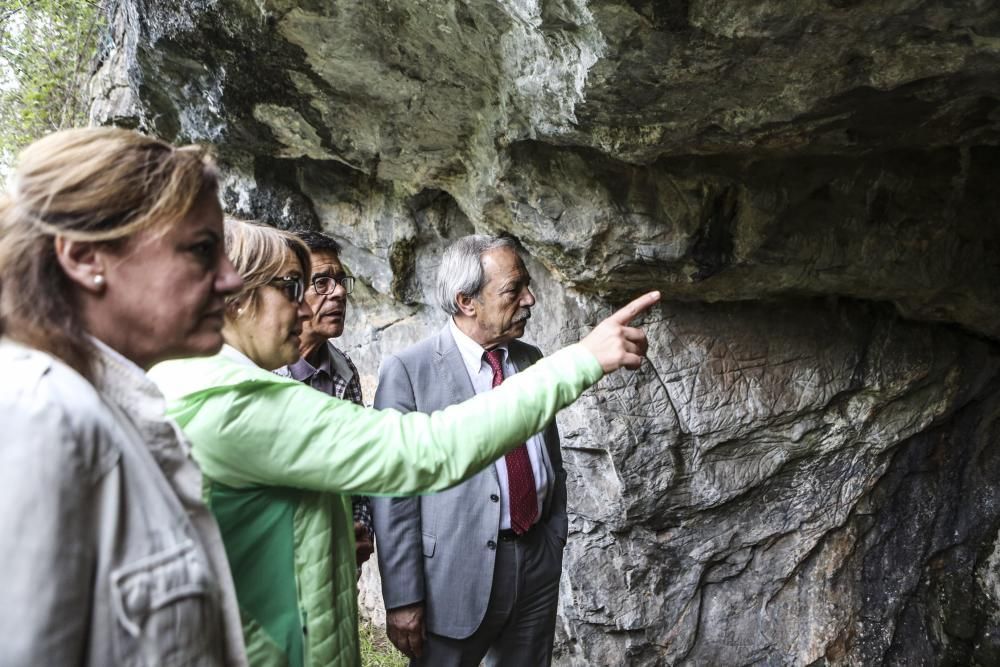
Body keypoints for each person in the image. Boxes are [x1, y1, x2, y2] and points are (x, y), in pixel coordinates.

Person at [148, 218, 659, 667]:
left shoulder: (192, 380)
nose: (308, 308)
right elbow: (421, 452)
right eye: (293, 287)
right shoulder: (238, 402)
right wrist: (582, 358)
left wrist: (324, 534)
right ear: (236, 296)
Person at [0, 127, 248, 665]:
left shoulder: (102, 406)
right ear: (86, 257)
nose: (229, 280)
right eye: (202, 250)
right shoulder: (41, 417)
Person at [372, 235, 568, 666]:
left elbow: (549, 460)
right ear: (466, 301)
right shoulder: (408, 371)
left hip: (535, 561)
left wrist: (553, 537)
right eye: (513, 290)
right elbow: (393, 491)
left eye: (527, 285)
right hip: (453, 579)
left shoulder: (531, 360)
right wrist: (403, 597)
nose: (530, 299)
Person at [275, 229, 374, 575]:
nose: (340, 292)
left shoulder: (345, 372)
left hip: (339, 571)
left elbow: (359, 472)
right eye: (322, 282)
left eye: (341, 280)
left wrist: (360, 530)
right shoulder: (260, 375)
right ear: (289, 293)